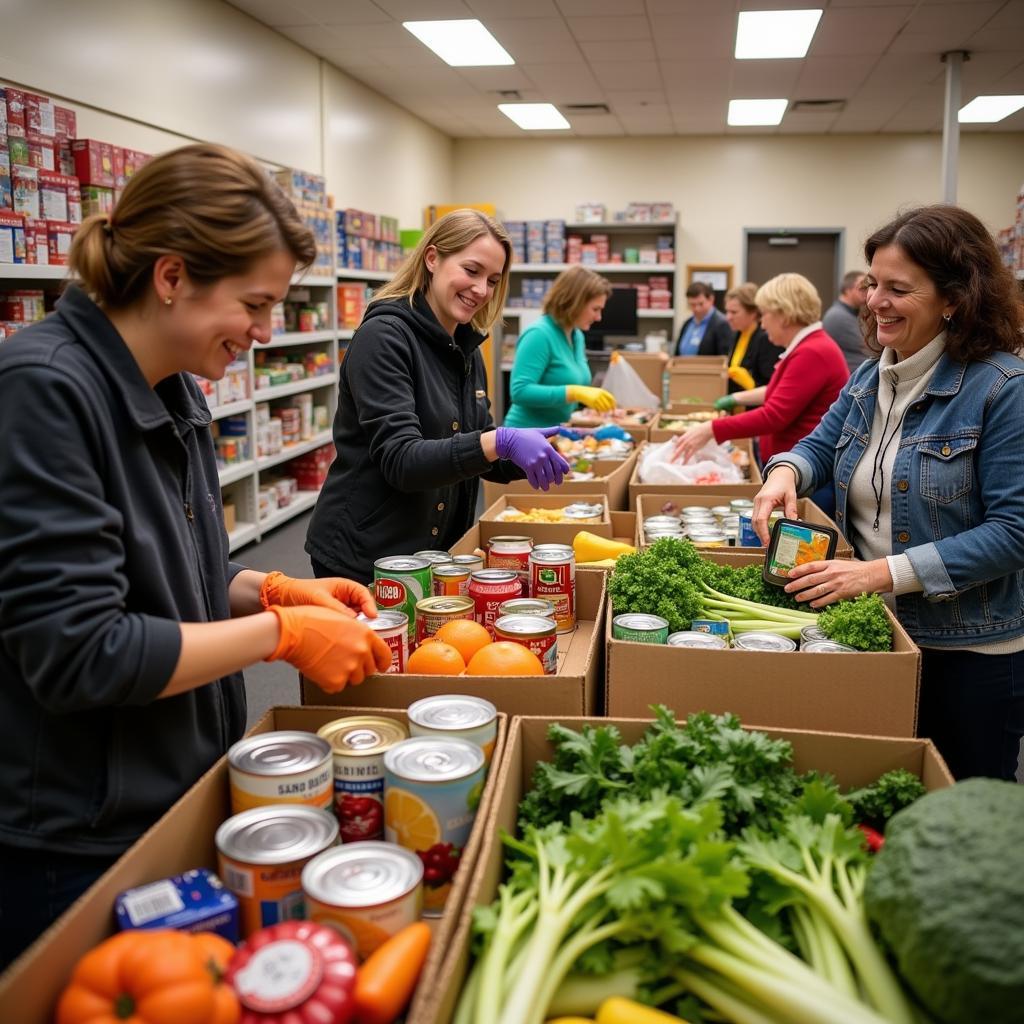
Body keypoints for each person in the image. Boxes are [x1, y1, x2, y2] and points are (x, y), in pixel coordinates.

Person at [0, 143, 393, 967]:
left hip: (173, 787)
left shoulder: (174, 384)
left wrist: (273, 589)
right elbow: (81, 651)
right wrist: (278, 638)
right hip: (74, 836)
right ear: (172, 276)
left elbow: (172, 576)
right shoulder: (42, 390)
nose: (264, 331)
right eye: (254, 302)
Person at [751, 205, 1024, 783]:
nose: (874, 302)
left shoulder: (1003, 389)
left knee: (959, 814)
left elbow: (1013, 533)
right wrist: (784, 475)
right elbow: (819, 446)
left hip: (967, 651)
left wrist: (879, 574)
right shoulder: (874, 373)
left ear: (954, 298)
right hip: (879, 632)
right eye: (873, 283)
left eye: (898, 288)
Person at [306, 209, 569, 583]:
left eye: (493, 280)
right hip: (367, 558)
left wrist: (530, 453)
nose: (482, 290)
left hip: (434, 557)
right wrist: (500, 440)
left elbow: (474, 447)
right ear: (432, 258)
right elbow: (401, 460)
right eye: (472, 270)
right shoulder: (384, 339)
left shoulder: (466, 347)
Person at [671, 273, 849, 513]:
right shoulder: (808, 347)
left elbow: (774, 415)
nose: (762, 325)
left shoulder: (813, 352)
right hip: (794, 473)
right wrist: (736, 398)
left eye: (764, 314)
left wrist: (712, 429)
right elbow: (781, 392)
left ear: (784, 315)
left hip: (807, 479)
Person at [503, 265, 616, 428]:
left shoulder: (576, 336)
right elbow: (520, 391)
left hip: (556, 432)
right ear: (574, 302)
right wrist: (574, 392)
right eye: (595, 309)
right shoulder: (539, 335)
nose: (599, 317)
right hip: (525, 436)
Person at [721, 281, 780, 393]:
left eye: (734, 312)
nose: (728, 317)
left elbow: (771, 387)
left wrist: (750, 383)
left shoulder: (767, 338)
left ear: (753, 312)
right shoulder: (738, 333)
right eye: (727, 311)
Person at [823, 269, 870, 373]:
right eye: (862, 288)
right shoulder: (838, 317)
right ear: (848, 290)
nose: (866, 292)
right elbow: (869, 349)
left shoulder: (850, 314)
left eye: (868, 288)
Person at [674, 281, 733, 357]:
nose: (697, 309)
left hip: (708, 368)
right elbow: (677, 354)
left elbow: (724, 357)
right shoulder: (687, 323)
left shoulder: (722, 324)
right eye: (692, 305)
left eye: (700, 304)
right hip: (683, 368)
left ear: (711, 299)